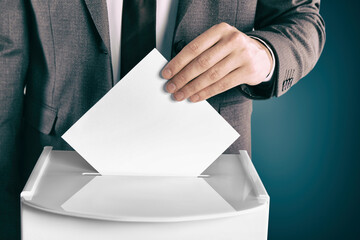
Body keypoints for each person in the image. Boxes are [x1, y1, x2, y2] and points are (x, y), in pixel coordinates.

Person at [0, 0, 325, 239]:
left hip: (212, 177)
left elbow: (300, 17)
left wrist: (265, 52)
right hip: (59, 171)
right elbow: (6, 56)